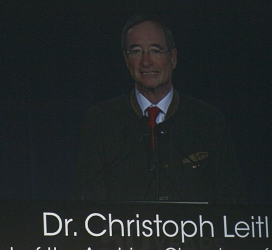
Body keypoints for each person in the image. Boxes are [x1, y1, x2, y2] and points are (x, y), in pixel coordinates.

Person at [76, 15, 244, 203]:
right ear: (126, 59)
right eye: (136, 51)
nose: (146, 62)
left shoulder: (208, 121)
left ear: (172, 58)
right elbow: (89, 205)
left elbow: (232, 204)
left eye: (155, 51)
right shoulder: (101, 121)